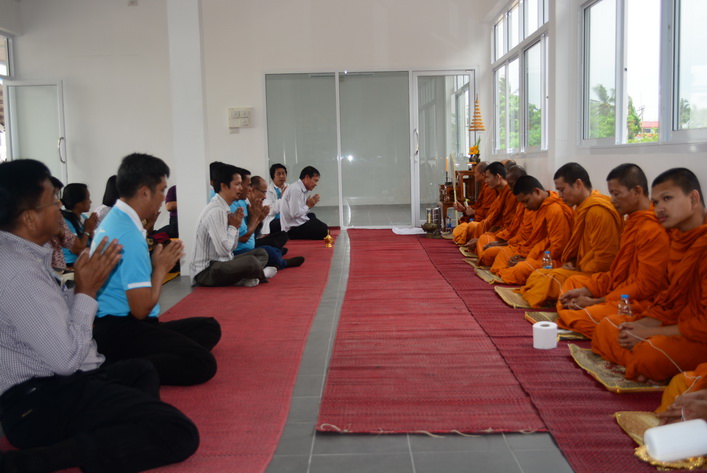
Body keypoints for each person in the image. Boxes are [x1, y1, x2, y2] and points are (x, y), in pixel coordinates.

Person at [0, 159, 199, 473]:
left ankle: (121, 432)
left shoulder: (22, 255)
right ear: (28, 217)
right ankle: (38, 461)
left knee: (141, 371)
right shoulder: (19, 272)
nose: (60, 209)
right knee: (178, 432)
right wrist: (87, 291)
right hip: (38, 404)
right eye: (53, 201)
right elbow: (67, 360)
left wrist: (82, 289)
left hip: (59, 381)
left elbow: (55, 320)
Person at [92, 153, 221, 386]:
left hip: (115, 325)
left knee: (207, 327)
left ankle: (137, 357)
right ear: (144, 192)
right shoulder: (128, 235)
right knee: (202, 363)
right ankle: (121, 369)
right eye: (161, 190)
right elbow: (141, 310)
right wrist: (160, 269)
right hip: (122, 328)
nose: (164, 198)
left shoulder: (116, 220)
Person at [592, 168, 707, 383]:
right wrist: (643, 326)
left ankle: (644, 364)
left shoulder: (697, 243)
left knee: (649, 353)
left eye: (667, 198)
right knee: (608, 326)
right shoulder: (676, 238)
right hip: (674, 324)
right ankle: (645, 365)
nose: (659, 208)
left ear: (693, 198)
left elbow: (703, 325)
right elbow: (669, 300)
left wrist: (645, 333)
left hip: (698, 337)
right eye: (656, 201)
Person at [557, 164, 670, 338]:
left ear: (637, 191)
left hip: (639, 301)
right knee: (572, 285)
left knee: (580, 317)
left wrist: (597, 300)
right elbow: (619, 272)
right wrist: (587, 291)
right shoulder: (634, 221)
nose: (612, 200)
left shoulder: (653, 229)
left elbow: (645, 286)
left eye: (616, 194)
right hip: (618, 289)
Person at [517, 162, 623, 308]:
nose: (560, 195)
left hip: (596, 274)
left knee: (551, 280)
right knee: (538, 275)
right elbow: (581, 246)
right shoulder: (582, 207)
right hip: (581, 267)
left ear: (578, 184)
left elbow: (606, 259)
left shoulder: (598, 211)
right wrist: (573, 261)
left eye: (562, 190)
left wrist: (579, 267)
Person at [191, 164, 274, 287]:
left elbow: (231, 248)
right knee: (251, 261)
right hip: (207, 271)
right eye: (237, 184)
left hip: (223, 261)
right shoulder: (216, 211)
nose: (242, 188)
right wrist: (234, 227)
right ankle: (261, 274)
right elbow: (224, 251)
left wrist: (236, 226)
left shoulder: (225, 207)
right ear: (224, 186)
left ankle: (244, 277)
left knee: (261, 253)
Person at [489, 175, 573, 285]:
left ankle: (513, 273)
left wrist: (529, 259)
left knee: (520, 269)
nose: (525, 206)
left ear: (537, 192)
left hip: (552, 258)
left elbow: (558, 247)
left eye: (526, 201)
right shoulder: (539, 206)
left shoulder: (554, 209)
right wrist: (525, 254)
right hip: (533, 250)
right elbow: (532, 237)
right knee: (503, 256)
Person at [451, 161, 517, 247]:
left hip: (503, 235)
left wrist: (485, 237)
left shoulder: (510, 194)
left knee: (480, 238)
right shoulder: (500, 194)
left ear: (498, 176)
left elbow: (508, 226)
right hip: (492, 229)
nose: (486, 180)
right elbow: (491, 216)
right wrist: (464, 209)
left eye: (488, 177)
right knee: (468, 230)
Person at [473, 165, 527, 265]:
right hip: (507, 237)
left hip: (523, 247)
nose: (510, 188)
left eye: (511, 185)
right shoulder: (507, 194)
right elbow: (503, 222)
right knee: (483, 239)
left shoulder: (517, 198)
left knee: (488, 251)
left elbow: (529, 237)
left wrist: (503, 242)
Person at [248, 176, 304, 269]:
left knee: (282, 235)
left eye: (284, 174)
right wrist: (258, 218)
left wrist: (259, 219)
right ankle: (283, 262)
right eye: (263, 192)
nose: (265, 196)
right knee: (268, 250)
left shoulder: (255, 203)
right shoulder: (243, 206)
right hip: (250, 243)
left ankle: (277, 252)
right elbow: (246, 237)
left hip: (254, 240)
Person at [280, 165, 329, 240]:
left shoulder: (299, 188)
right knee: (324, 230)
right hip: (292, 229)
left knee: (312, 215)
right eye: (315, 180)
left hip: (297, 222)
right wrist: (308, 206)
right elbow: (295, 214)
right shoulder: (295, 190)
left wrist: (306, 205)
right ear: (307, 177)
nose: (316, 184)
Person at [60, 183, 98, 266]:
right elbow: (78, 250)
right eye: (88, 198)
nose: (90, 201)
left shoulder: (83, 217)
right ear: (78, 203)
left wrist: (91, 231)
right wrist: (87, 230)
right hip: (70, 264)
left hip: (85, 261)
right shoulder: (64, 221)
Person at [262, 162, 288, 235]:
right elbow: (269, 210)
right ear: (273, 176)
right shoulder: (267, 191)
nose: (282, 176)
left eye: (283, 173)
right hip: (274, 221)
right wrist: (282, 199)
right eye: (278, 174)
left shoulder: (290, 188)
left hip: (288, 219)